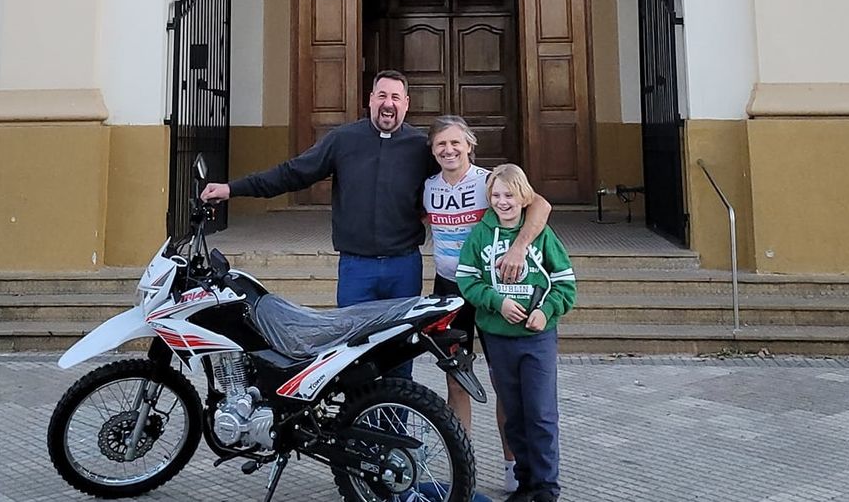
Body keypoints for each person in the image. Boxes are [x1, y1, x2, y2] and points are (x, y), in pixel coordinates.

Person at [200, 69, 538, 378]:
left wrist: (518, 241)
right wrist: (233, 188)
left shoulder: (422, 148)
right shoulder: (343, 140)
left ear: (406, 104)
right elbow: (292, 173)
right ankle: (358, 438)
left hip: (403, 268)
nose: (388, 103)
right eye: (382, 96)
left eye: (395, 97)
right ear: (370, 101)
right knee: (350, 357)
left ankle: (394, 441)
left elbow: (459, 181)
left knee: (399, 358)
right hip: (355, 270)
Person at [423, 116, 550, 493]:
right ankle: (460, 464)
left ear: (469, 146)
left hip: (493, 290)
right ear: (432, 151)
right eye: (441, 145)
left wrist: (518, 247)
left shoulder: (487, 182)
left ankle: (513, 467)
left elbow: (539, 205)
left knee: (503, 382)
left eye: (455, 143)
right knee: (455, 380)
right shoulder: (428, 187)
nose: (449, 150)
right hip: (448, 289)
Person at [455, 164, 576, 502]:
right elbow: (468, 280)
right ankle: (525, 484)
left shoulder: (543, 236)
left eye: (509, 195)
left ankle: (546, 487)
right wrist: (496, 302)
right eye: (495, 195)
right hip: (498, 336)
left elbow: (565, 283)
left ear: (524, 197)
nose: (502, 201)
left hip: (536, 339)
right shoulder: (481, 235)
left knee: (540, 413)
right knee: (514, 413)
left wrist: (546, 310)